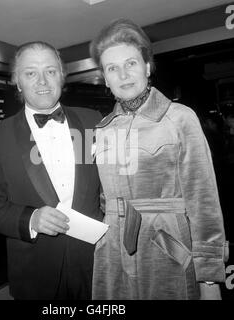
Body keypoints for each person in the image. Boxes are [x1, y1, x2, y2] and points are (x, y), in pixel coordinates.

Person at [89, 18, 228, 300]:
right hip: (112, 251)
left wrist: (210, 279)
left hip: (165, 246)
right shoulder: (103, 129)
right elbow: (105, 197)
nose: (123, 74)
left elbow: (204, 202)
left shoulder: (179, 118)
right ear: (105, 78)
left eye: (131, 63)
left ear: (147, 67)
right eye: (112, 68)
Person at [0, 41, 102, 300]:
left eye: (50, 71)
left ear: (62, 77)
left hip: (94, 263)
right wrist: (30, 219)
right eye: (31, 73)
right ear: (17, 82)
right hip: (35, 270)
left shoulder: (94, 121)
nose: (42, 81)